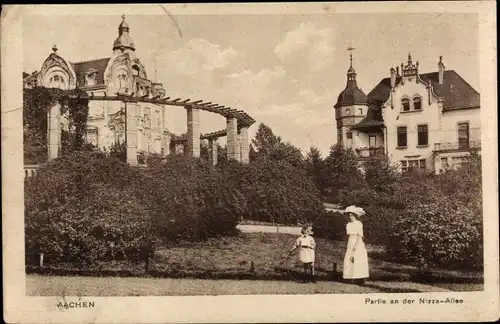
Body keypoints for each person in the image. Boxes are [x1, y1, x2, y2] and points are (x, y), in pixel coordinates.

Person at [342, 205, 369, 285]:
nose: (350, 217)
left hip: (358, 242)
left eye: (352, 215)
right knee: (350, 259)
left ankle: (360, 279)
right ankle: (351, 277)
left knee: (358, 260)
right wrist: (350, 245)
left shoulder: (358, 223)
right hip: (350, 241)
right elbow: (349, 235)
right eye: (349, 216)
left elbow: (359, 235)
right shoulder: (348, 224)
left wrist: (356, 246)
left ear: (355, 216)